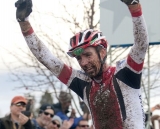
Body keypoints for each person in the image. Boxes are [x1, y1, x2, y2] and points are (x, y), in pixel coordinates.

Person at [14, 0, 149, 128]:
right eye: (79, 58)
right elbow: (47, 60)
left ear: (102, 52)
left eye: (88, 55)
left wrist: (134, 7)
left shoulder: (125, 74)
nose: (83, 62)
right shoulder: (83, 83)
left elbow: (141, 45)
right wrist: (23, 23)